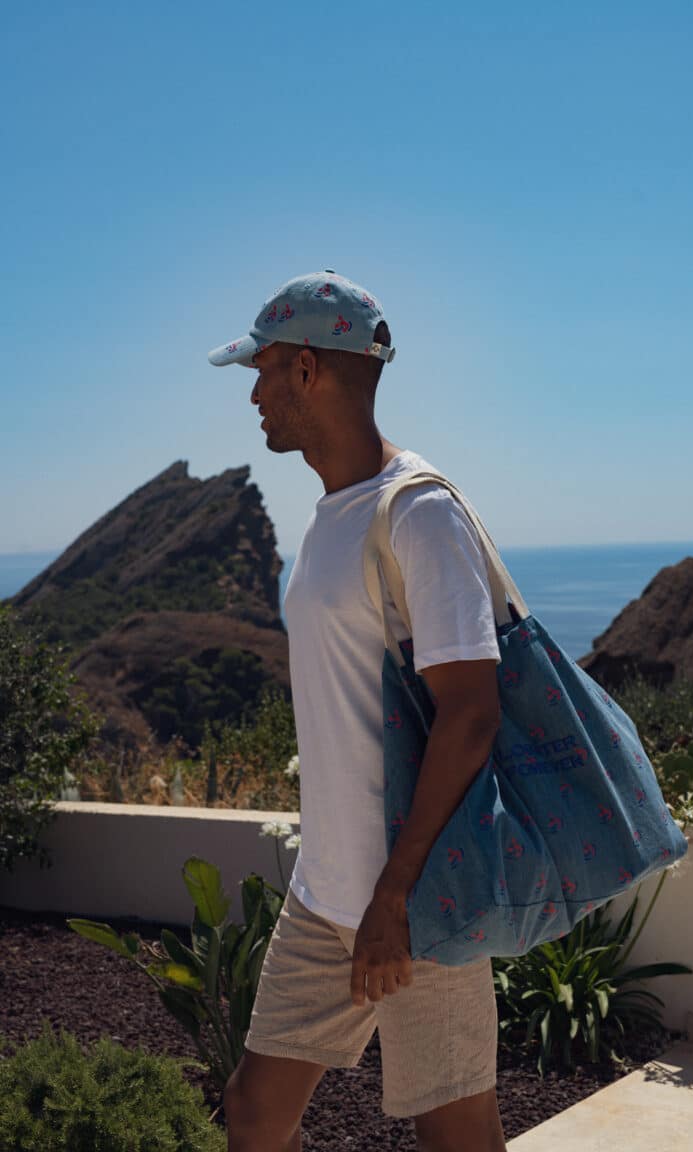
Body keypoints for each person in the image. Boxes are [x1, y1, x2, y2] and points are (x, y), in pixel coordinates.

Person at [208, 271, 507, 1152]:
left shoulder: (418, 514)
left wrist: (395, 894)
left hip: (418, 903)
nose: (254, 393)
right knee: (256, 1113)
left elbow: (472, 715)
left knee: (457, 1132)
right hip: (324, 897)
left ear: (307, 369)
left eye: (261, 370)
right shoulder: (327, 518)